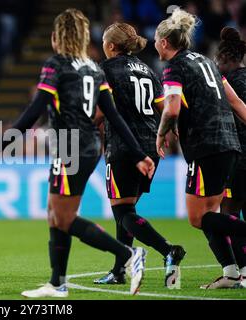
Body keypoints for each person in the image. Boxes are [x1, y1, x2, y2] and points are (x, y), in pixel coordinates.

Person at [0, 8, 154, 297]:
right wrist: (139, 154)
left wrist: (0, 144)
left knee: (63, 218)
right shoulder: (92, 67)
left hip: (70, 147)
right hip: (87, 146)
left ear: (57, 36)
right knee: (55, 213)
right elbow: (113, 115)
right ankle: (57, 283)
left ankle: (128, 255)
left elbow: (35, 109)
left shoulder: (57, 65)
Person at [155, 8, 246, 289]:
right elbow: (237, 104)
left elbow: (170, 109)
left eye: (157, 40)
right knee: (212, 214)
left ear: (166, 43)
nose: (155, 45)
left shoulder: (175, 67)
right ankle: (232, 273)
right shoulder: (206, 62)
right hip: (229, 145)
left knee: (197, 217)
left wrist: (162, 134)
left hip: (206, 147)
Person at [94, 22, 185, 288]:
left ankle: (168, 249)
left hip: (124, 146)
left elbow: (102, 111)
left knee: (123, 213)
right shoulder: (146, 69)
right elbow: (161, 105)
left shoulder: (106, 69)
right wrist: (169, 131)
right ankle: (119, 270)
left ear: (111, 46)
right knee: (127, 210)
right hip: (149, 145)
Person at [216, 26, 246, 287]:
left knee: (229, 214)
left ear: (224, 58)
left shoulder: (227, 85)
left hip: (237, 158)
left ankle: (241, 273)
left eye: (217, 60)